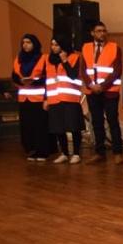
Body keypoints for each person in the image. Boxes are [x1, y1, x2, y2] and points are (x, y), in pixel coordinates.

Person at [80, 21, 123, 163]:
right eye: (98, 31)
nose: (102, 33)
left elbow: (117, 71)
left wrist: (102, 86)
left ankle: (118, 152)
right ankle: (100, 153)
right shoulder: (86, 47)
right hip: (92, 91)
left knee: (113, 121)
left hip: (109, 91)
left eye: (104, 31)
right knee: (97, 122)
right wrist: (91, 85)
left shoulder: (114, 47)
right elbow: (83, 70)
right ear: (92, 33)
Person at [9, 34, 50, 161]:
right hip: (24, 98)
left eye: (29, 42)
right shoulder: (18, 58)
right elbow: (14, 76)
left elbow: (48, 77)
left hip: (38, 97)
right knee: (27, 125)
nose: (25, 45)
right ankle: (31, 149)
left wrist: (33, 82)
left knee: (40, 125)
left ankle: (42, 151)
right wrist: (21, 81)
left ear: (35, 44)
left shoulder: (43, 58)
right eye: (23, 42)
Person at [44, 36, 84, 164]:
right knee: (58, 128)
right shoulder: (48, 60)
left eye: (57, 45)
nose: (54, 47)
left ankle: (76, 154)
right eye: (52, 45)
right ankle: (65, 153)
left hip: (70, 98)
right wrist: (45, 98)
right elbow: (47, 80)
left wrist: (65, 60)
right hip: (54, 99)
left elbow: (73, 75)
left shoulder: (74, 57)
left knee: (74, 127)